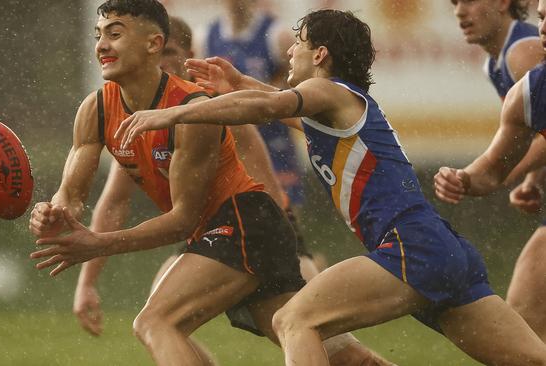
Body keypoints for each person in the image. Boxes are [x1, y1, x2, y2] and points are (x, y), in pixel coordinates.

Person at [115, 8, 546, 365]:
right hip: (444, 250)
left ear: (320, 54)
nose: (289, 50)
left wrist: (174, 113)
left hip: (409, 246)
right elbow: (276, 107)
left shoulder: (329, 90)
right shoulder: (339, 102)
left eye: (298, 42)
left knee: (294, 321)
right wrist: (240, 85)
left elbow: (270, 105)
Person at [30, 1, 389, 365]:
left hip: (246, 222)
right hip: (227, 230)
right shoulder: (96, 109)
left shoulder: (192, 110)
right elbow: (73, 195)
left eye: (115, 34)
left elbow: (183, 219)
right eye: (99, 35)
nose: (102, 45)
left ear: (153, 44)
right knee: (338, 354)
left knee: (156, 322)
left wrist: (97, 245)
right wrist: (55, 212)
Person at [436, 0, 546, 341]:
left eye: (468, 0)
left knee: (526, 319)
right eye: (542, 17)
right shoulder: (523, 82)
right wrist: (464, 178)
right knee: (525, 317)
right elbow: (525, 141)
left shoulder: (522, 51)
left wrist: (517, 175)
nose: (459, 11)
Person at [201, 0, 318, 266]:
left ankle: (307, 271)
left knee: (288, 227)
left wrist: (264, 97)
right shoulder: (206, 36)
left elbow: (299, 88)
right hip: (237, 149)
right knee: (245, 226)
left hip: (276, 147)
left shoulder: (276, 35)